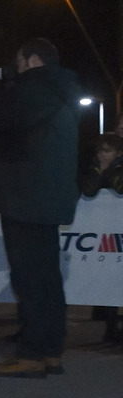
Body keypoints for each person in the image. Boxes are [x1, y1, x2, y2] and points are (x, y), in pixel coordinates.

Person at [0, 37, 80, 378]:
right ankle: (50, 351)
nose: (15, 70)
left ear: (32, 61)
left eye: (18, 63)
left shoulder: (33, 91)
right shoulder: (61, 91)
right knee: (48, 277)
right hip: (48, 197)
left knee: (29, 277)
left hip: (25, 196)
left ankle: (31, 354)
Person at [77, 132, 123, 342]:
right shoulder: (94, 168)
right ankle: (111, 327)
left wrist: (111, 172)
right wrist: (101, 170)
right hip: (104, 233)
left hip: (116, 230)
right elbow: (88, 190)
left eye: (107, 151)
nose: (102, 155)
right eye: (100, 151)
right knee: (108, 278)